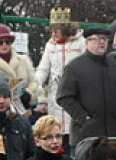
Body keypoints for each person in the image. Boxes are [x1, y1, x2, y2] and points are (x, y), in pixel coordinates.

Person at [57, 25, 116, 150]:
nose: (102, 42)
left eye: (105, 39)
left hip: (112, 134)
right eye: (98, 39)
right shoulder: (74, 67)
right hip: (85, 136)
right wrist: (84, 118)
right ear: (87, 41)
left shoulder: (114, 66)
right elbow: (64, 97)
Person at [32, 9, 85, 144]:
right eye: (52, 30)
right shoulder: (50, 45)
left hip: (75, 95)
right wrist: (35, 84)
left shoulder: (80, 43)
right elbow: (43, 69)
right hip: (55, 96)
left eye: (57, 30)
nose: (53, 33)